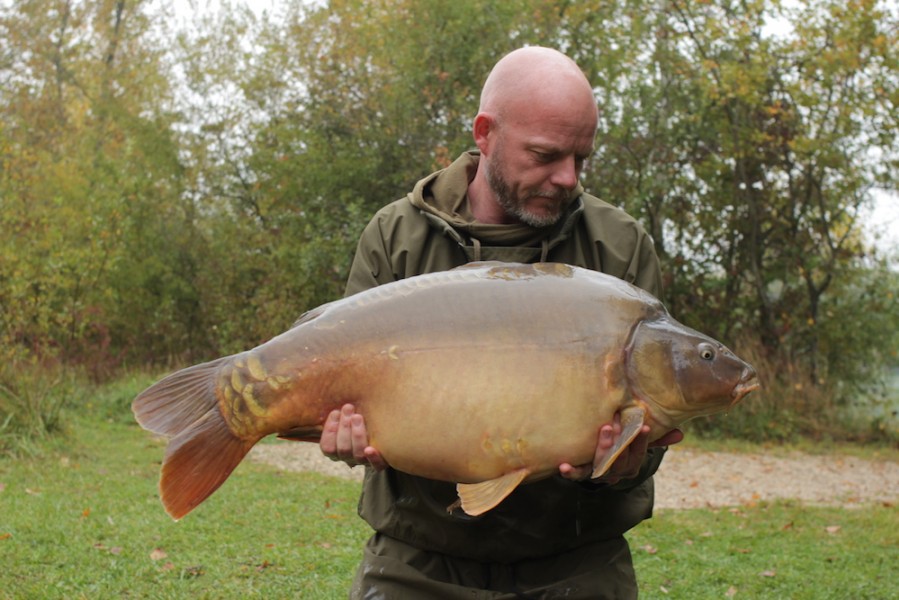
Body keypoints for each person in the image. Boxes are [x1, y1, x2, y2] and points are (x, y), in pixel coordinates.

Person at [319, 46, 684, 599]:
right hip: (417, 558)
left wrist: (628, 461)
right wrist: (340, 430)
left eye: (580, 159)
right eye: (545, 155)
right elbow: (341, 381)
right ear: (485, 133)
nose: (566, 178)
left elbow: (649, 410)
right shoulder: (396, 236)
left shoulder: (620, 245)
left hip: (576, 560)